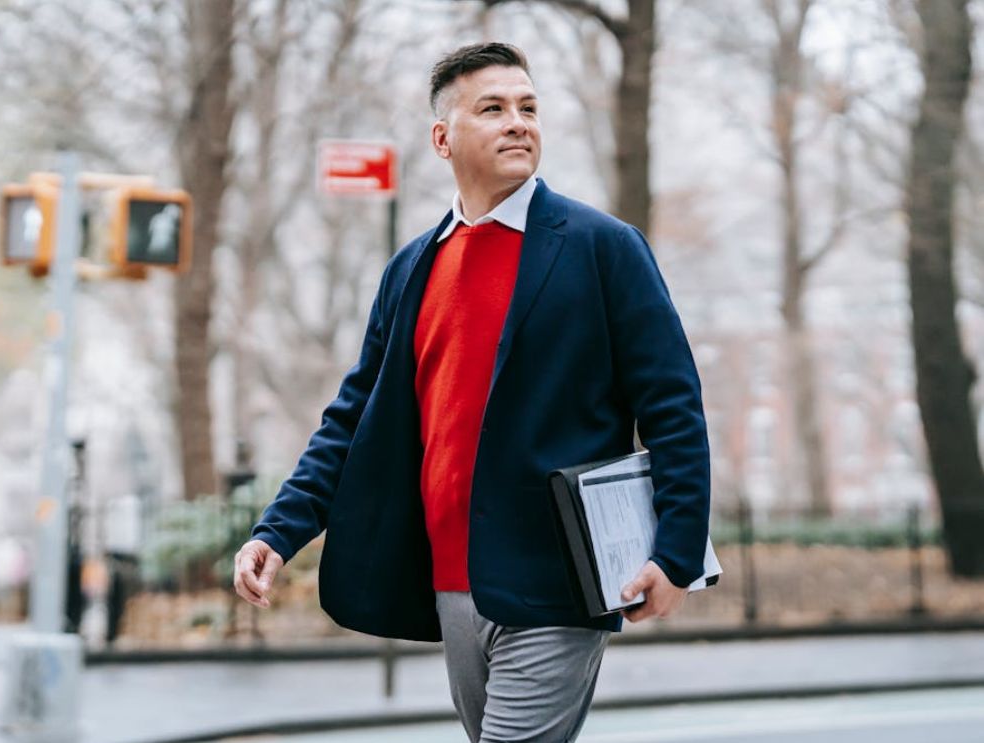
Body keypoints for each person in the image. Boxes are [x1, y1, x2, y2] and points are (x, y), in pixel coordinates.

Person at [233, 42, 710, 742]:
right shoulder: (412, 268)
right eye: (492, 108)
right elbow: (352, 418)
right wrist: (279, 528)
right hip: (450, 582)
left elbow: (673, 407)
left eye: (528, 107)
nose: (518, 122)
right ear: (442, 137)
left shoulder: (601, 246)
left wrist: (676, 551)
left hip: (556, 580)